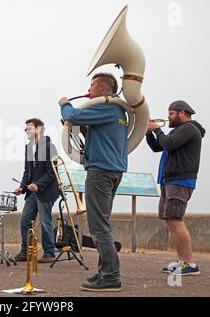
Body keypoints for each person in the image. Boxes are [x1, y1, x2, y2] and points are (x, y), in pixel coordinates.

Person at [59, 73, 127, 292]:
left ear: (102, 87)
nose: (88, 89)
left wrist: (64, 104)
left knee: (99, 227)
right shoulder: (118, 110)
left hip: (100, 171)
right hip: (113, 170)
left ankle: (111, 276)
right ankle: (104, 272)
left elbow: (73, 115)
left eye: (91, 85)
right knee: (102, 224)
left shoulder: (106, 106)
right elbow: (103, 138)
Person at [146, 100, 205, 275]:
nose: (168, 117)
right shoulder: (178, 131)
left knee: (176, 219)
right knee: (170, 220)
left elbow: (168, 143)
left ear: (182, 113)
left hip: (179, 180)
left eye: (171, 113)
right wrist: (149, 133)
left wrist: (156, 129)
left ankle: (190, 263)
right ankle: (182, 261)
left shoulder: (189, 128)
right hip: (170, 180)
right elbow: (158, 147)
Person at [13, 118, 59, 264]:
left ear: (38, 130)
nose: (27, 131)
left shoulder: (49, 146)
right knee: (25, 221)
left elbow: (52, 172)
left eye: (29, 128)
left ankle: (49, 253)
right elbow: (27, 171)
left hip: (46, 190)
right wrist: (22, 186)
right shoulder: (28, 147)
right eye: (26, 129)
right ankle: (25, 252)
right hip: (32, 191)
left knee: (45, 221)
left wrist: (38, 185)